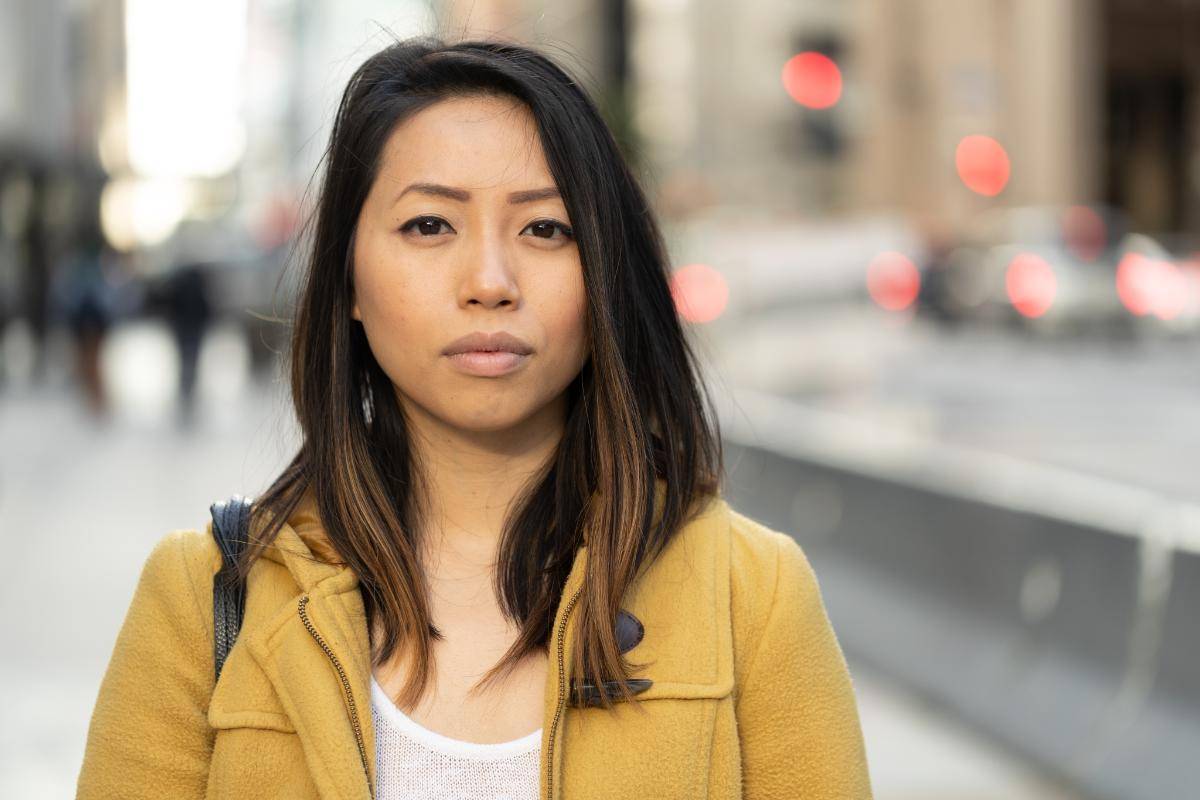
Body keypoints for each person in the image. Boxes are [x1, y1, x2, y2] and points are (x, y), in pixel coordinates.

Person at [76, 35, 873, 799]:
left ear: (603, 274)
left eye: (544, 228)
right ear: (348, 278)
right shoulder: (206, 597)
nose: (490, 281)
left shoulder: (752, 597)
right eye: (430, 225)